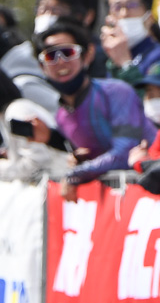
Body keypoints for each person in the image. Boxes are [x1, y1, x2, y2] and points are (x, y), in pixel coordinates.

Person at [33, 20, 154, 200]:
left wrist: (78, 172)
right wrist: (77, 163)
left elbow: (125, 152)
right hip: (121, 207)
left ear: (88, 55)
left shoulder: (117, 92)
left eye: (68, 52)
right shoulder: (61, 115)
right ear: (41, 67)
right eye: (51, 56)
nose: (60, 61)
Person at [100, 0, 160, 89]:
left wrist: (125, 65)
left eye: (132, 5)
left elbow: (148, 102)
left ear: (149, 18)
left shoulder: (157, 56)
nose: (124, 13)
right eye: (117, 7)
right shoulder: (109, 60)